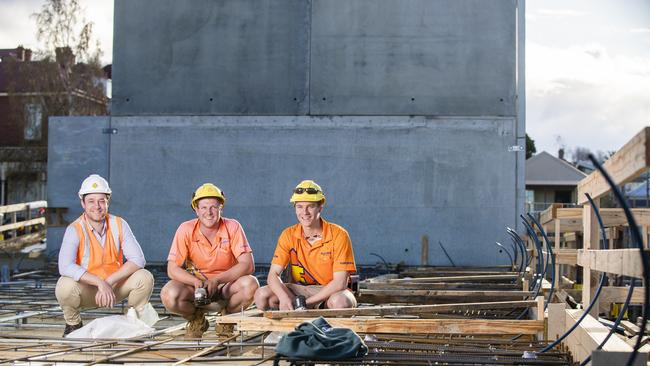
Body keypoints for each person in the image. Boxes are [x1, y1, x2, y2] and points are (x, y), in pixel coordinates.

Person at [56, 174, 154, 337]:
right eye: (91, 201)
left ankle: (133, 322)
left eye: (102, 200)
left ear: (108, 201)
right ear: (83, 203)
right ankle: (73, 324)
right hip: (87, 290)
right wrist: (99, 283)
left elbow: (138, 259)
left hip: (114, 287)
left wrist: (107, 283)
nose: (97, 206)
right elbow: (64, 266)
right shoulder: (74, 229)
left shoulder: (119, 224)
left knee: (144, 277)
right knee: (64, 286)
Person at [160, 183, 259, 338]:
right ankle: (197, 318)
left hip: (226, 286)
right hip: (197, 288)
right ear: (196, 210)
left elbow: (248, 265)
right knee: (169, 294)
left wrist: (218, 280)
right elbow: (172, 269)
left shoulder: (232, 227)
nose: (209, 212)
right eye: (204, 207)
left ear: (221, 207)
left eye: (213, 207)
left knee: (251, 285)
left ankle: (226, 319)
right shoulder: (185, 229)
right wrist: (195, 282)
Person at [254, 180, 357, 311]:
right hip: (300, 290)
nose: (305, 212)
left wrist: (305, 304)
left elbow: (339, 282)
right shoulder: (288, 235)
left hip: (332, 290)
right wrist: (285, 298)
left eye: (311, 206)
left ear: (320, 207)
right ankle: (290, 326)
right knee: (261, 295)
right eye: (300, 207)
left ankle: (328, 329)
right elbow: (272, 275)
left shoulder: (338, 235)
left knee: (340, 302)